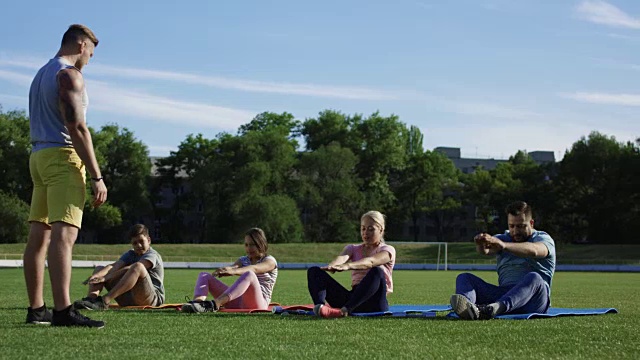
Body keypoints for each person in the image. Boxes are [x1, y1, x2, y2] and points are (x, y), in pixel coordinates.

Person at [23, 24, 107, 328]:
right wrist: (97, 175)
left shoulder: (40, 73)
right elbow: (77, 127)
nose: (89, 60)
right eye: (91, 53)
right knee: (65, 233)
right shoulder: (69, 75)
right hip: (62, 157)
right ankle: (62, 311)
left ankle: (37, 309)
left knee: (39, 234)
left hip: (39, 156)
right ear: (82, 44)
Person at [450, 201, 556, 320]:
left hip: (534, 300)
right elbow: (486, 251)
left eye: (521, 226)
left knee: (534, 278)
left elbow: (535, 250)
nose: (515, 231)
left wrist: (504, 246)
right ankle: (467, 309)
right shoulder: (504, 238)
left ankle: (493, 309)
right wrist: (481, 244)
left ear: (531, 223)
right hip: (504, 295)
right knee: (465, 277)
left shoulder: (542, 238)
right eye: (512, 226)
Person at [307, 210, 396, 318]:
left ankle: (344, 311)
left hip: (375, 303)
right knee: (314, 271)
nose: (365, 233)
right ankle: (320, 308)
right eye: (363, 228)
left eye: (370, 229)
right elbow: (342, 258)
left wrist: (348, 266)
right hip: (353, 300)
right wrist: (333, 265)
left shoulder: (388, 250)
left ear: (381, 230)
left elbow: (370, 262)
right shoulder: (353, 248)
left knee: (377, 271)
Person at [181, 228, 278, 313]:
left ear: (261, 244)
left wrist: (234, 271)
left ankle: (214, 305)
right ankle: (197, 304)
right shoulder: (243, 259)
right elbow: (234, 267)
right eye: (246, 245)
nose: (248, 248)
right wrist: (225, 269)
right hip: (239, 301)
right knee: (204, 275)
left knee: (249, 274)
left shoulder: (270, 261)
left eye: (252, 245)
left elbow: (255, 268)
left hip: (259, 304)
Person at [73, 224, 165, 310]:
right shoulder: (131, 254)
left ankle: (104, 301)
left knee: (138, 266)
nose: (138, 245)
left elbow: (132, 268)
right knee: (100, 269)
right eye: (135, 243)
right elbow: (114, 266)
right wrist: (97, 276)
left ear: (149, 240)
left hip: (151, 299)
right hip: (129, 298)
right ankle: (90, 301)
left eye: (141, 241)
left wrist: (105, 278)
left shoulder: (152, 255)